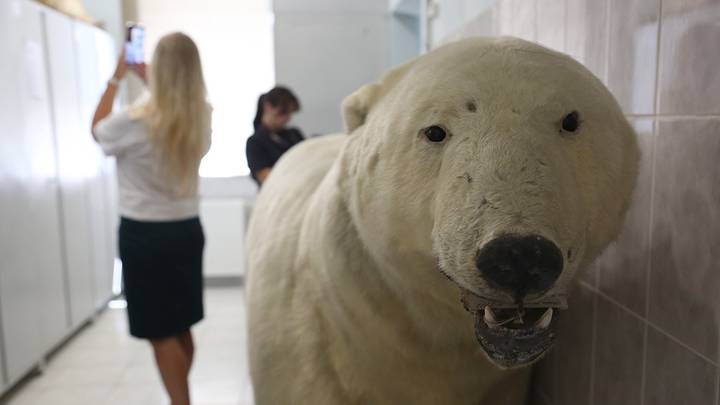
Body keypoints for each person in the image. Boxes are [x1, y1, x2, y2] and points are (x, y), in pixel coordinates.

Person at [91, 32, 211, 405]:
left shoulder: (133, 121)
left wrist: (117, 77)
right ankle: (182, 398)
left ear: (157, 69)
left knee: (161, 333)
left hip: (145, 236)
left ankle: (180, 402)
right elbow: (171, 108)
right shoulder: (201, 116)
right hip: (187, 232)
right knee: (181, 324)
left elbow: (97, 130)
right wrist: (152, 83)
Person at [246, 86, 305, 186]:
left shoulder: (294, 135)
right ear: (268, 107)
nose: (287, 118)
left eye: (290, 114)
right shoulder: (255, 143)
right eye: (283, 112)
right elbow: (269, 179)